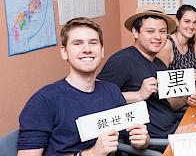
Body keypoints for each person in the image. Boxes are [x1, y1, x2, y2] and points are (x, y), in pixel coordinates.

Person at [17, 17, 149, 156]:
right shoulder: (44, 100)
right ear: (64, 52)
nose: (87, 49)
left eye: (93, 43)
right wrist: (90, 154)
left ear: (102, 50)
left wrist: (142, 140)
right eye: (77, 43)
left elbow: (132, 137)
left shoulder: (112, 91)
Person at [97, 5, 196, 142]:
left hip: (174, 127)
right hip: (156, 140)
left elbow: (170, 104)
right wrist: (138, 95)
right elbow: (96, 98)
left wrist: (187, 98)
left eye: (162, 31)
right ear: (135, 32)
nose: (158, 37)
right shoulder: (122, 60)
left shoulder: (158, 63)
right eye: (150, 31)